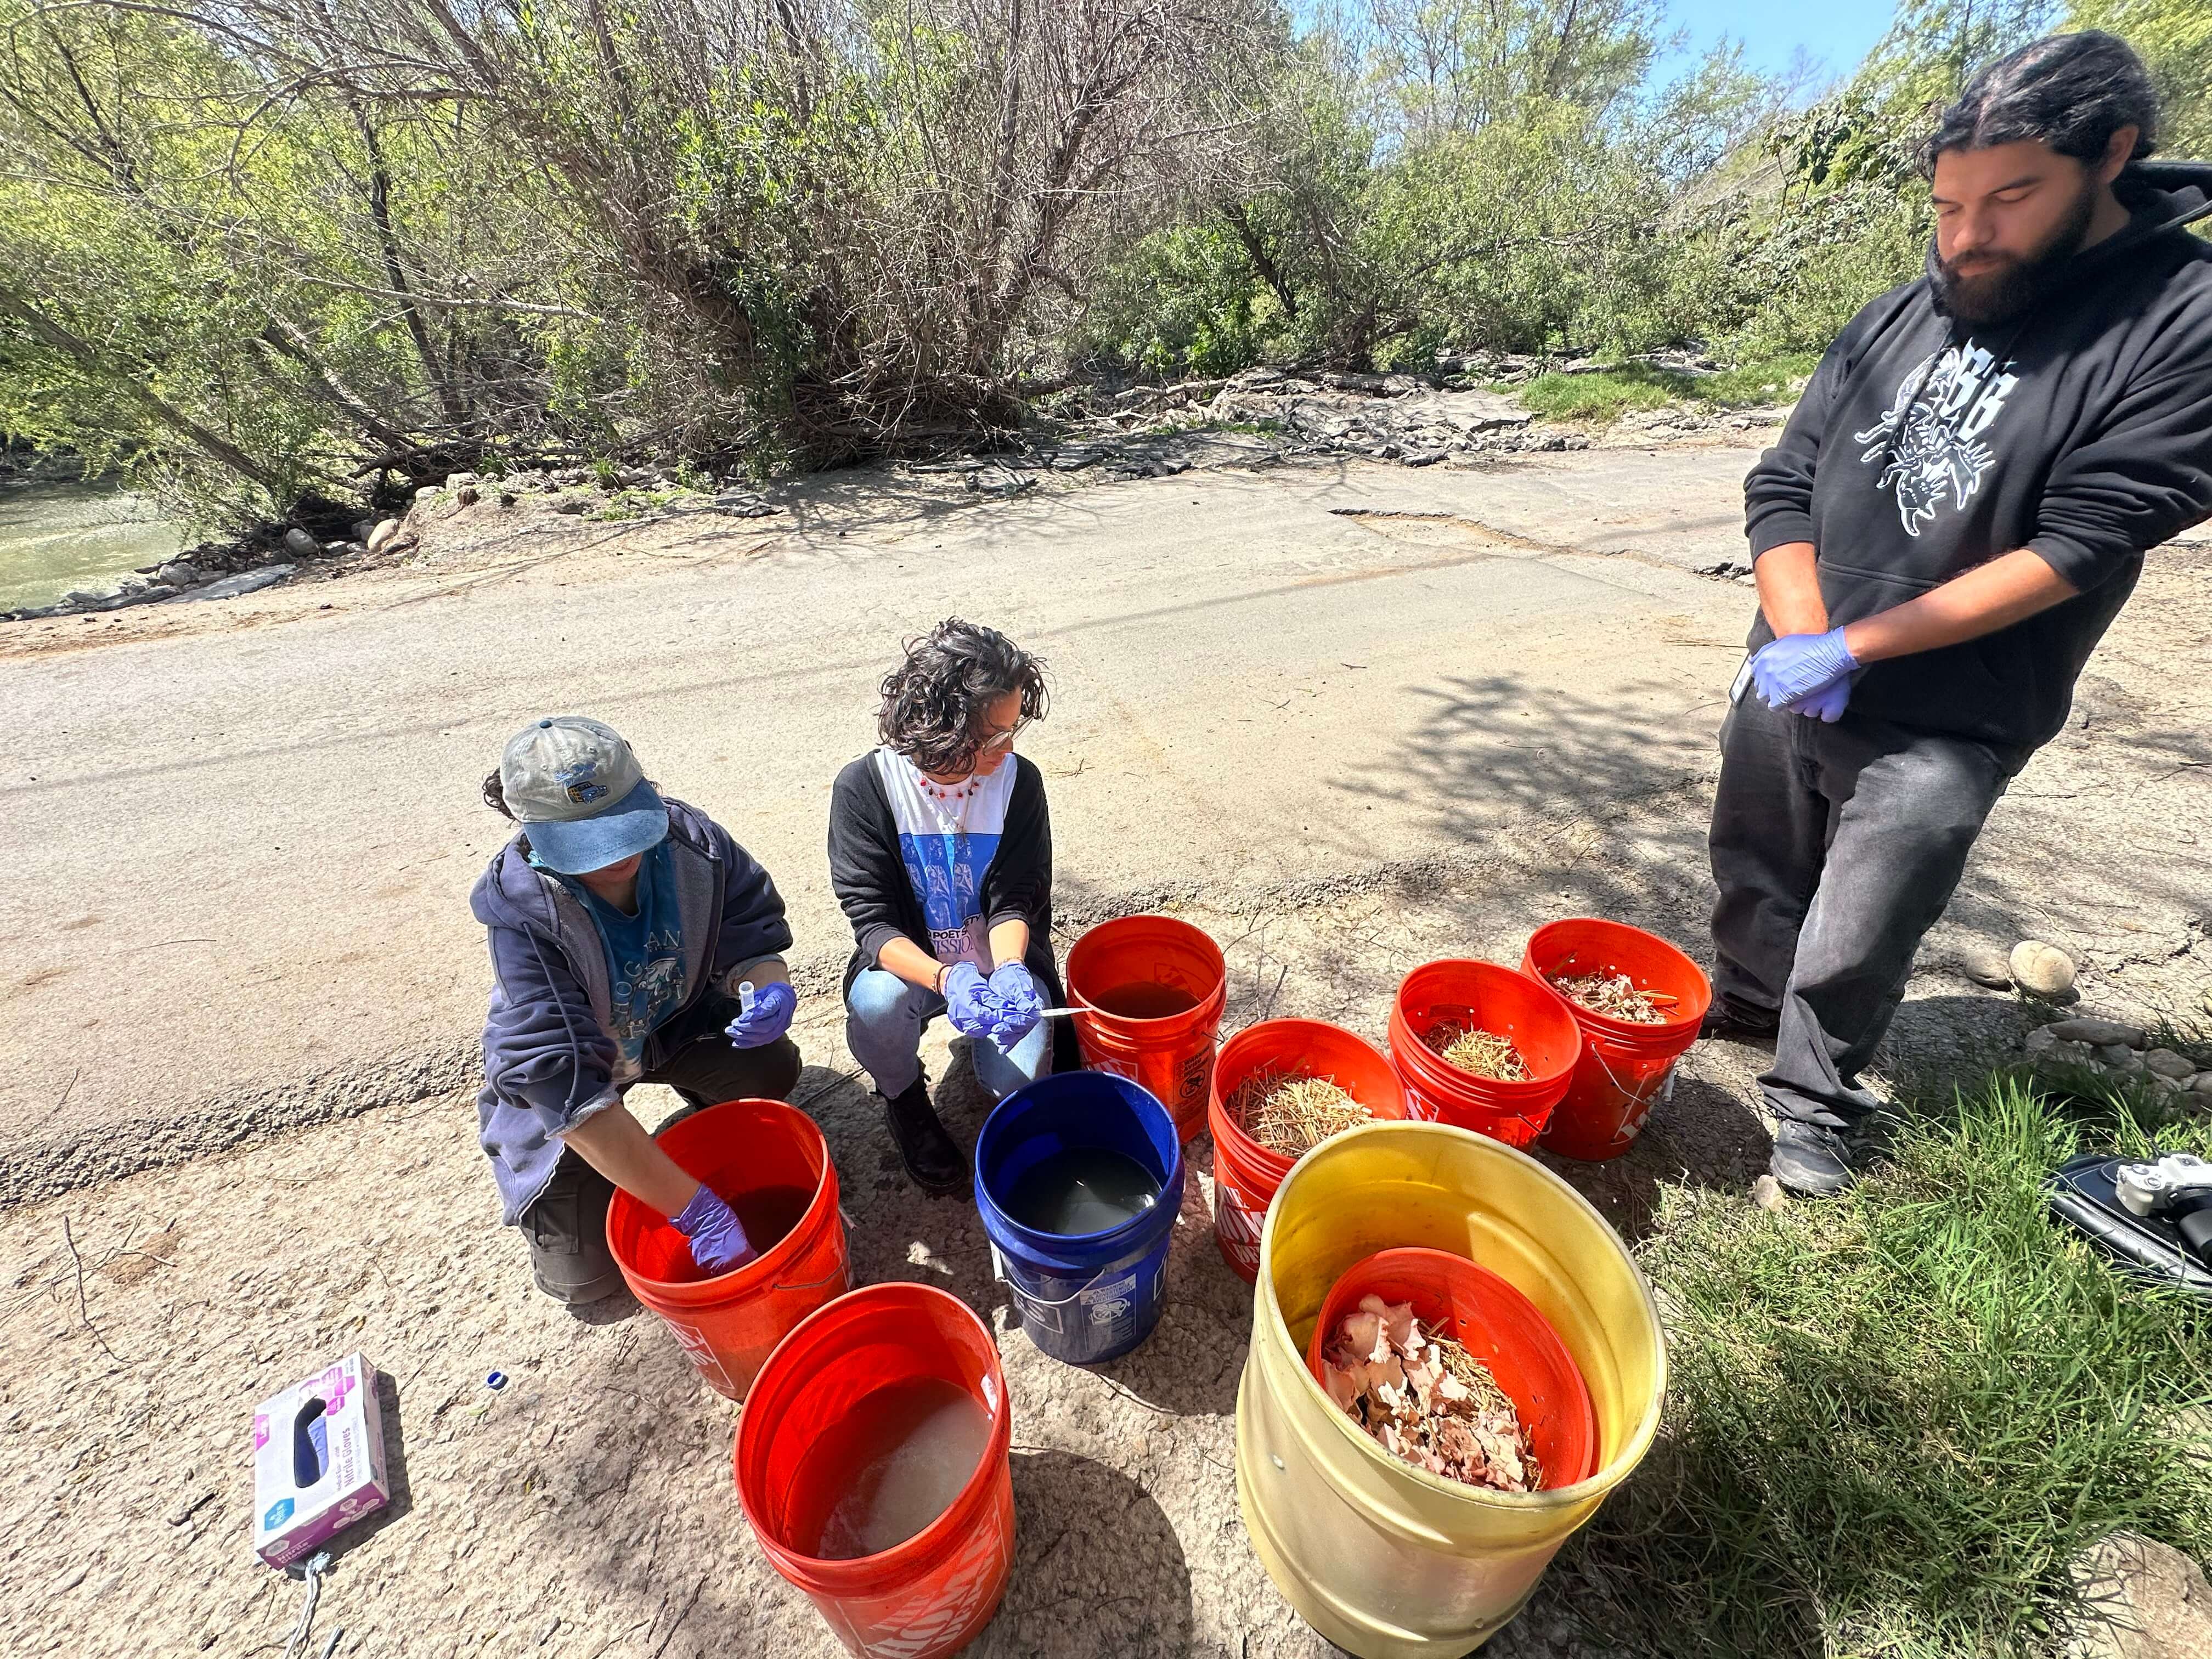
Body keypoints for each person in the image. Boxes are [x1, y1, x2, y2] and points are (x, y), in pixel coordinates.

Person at [1708, 30, 2212, 1197]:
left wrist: (1862, 646)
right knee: (1758, 849)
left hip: (1956, 705)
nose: (1968, 235)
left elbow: (2077, 547)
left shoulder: (2179, 320)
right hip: (1801, 646)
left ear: (2112, 158)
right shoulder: (1902, 312)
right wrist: (1799, 633)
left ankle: (1815, 1104)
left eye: (2010, 197)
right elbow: (1784, 482)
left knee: (1868, 912)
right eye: (1947, 203)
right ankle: (1740, 1007)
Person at [472, 716, 803, 1302]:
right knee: (590, 1286)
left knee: (769, 1068)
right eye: (585, 846)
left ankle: (685, 1132)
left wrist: (767, 984)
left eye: (626, 828)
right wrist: (695, 1211)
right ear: (532, 831)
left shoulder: (693, 844)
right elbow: (564, 1084)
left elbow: (750, 931)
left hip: (669, 1027)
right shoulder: (524, 913)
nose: (616, 856)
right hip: (587, 1065)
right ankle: (639, 1166)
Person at [828, 619, 1064, 1193]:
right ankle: (905, 1099)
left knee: (1024, 1073)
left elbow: (1016, 900)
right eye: (992, 738)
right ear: (941, 731)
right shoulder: (865, 788)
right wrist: (946, 976)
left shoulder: (1018, 783)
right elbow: (873, 921)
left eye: (1014, 730)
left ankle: (1008, 1111)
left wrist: (1009, 970)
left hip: (997, 960)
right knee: (877, 1005)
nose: (1008, 749)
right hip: (913, 966)